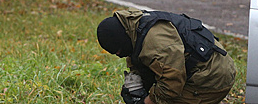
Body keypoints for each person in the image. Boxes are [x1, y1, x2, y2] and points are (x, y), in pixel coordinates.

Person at [97, 8, 236, 104]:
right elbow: (142, 60)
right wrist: (135, 86)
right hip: (198, 69)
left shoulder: (156, 42)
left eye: (119, 50)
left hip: (213, 76)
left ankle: (208, 98)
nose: (119, 55)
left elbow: (171, 84)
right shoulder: (133, 27)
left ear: (122, 39)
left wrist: (147, 101)